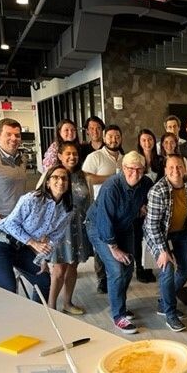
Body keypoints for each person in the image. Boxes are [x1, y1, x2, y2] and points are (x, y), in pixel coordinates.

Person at [0, 165, 73, 302]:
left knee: (43, 281)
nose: (60, 181)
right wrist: (33, 243)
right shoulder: (32, 199)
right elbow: (11, 224)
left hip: (21, 247)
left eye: (64, 178)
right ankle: (8, 316)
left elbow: (54, 239)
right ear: (47, 182)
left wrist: (41, 259)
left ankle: (36, 314)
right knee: (8, 288)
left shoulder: (66, 210)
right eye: (56, 177)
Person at [86, 151, 154, 334]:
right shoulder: (111, 187)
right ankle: (118, 316)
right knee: (116, 269)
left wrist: (143, 207)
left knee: (128, 267)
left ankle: (121, 307)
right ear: (123, 168)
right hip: (100, 227)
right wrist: (114, 248)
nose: (135, 173)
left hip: (125, 225)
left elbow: (149, 200)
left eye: (139, 169)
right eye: (131, 169)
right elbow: (104, 220)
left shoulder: (146, 183)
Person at [144, 155, 187, 332]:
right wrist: (163, 250)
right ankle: (170, 314)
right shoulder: (158, 191)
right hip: (158, 233)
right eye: (171, 167)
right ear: (165, 170)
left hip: (181, 230)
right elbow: (152, 225)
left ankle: (163, 303)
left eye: (179, 167)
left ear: (184, 169)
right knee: (167, 269)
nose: (175, 171)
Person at [45, 142, 93, 315]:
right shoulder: (53, 174)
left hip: (79, 227)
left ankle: (67, 302)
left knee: (73, 266)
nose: (72, 157)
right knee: (58, 269)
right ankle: (51, 307)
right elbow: (43, 201)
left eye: (75, 154)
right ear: (60, 156)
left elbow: (89, 200)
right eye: (68, 154)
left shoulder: (82, 176)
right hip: (59, 228)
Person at [82, 124, 124, 293]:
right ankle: (102, 279)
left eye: (117, 136)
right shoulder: (95, 156)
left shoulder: (124, 158)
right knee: (101, 243)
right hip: (100, 207)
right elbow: (87, 178)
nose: (114, 140)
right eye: (110, 136)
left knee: (115, 241)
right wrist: (113, 178)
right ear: (105, 138)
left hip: (120, 207)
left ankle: (117, 275)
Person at [134, 129, 162, 284]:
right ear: (139, 142)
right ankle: (140, 268)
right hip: (140, 207)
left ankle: (150, 267)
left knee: (151, 236)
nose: (147, 143)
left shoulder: (161, 160)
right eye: (144, 140)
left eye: (150, 139)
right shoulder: (135, 160)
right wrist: (140, 205)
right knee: (138, 238)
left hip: (156, 205)